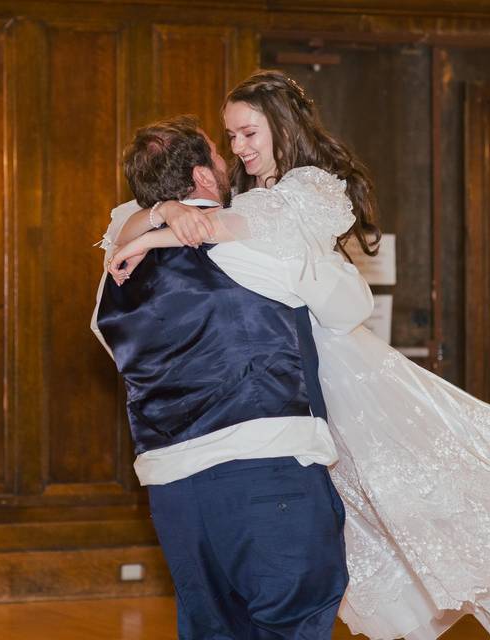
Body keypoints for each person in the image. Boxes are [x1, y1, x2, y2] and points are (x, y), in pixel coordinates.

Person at [108, 70, 490, 640]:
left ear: (281, 128)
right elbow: (175, 232)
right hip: (293, 394)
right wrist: (165, 212)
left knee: (448, 472)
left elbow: (302, 276)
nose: (238, 147)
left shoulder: (293, 194)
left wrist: (164, 223)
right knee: (360, 528)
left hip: (324, 373)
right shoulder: (230, 207)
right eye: (230, 137)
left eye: (247, 133)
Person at [92, 115, 374, 639]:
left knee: (213, 630)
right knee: (294, 619)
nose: (231, 163)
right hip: (266, 472)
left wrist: (157, 219)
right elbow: (348, 308)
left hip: (173, 492)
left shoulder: (115, 276)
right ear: (202, 176)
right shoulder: (254, 243)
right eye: (220, 158)